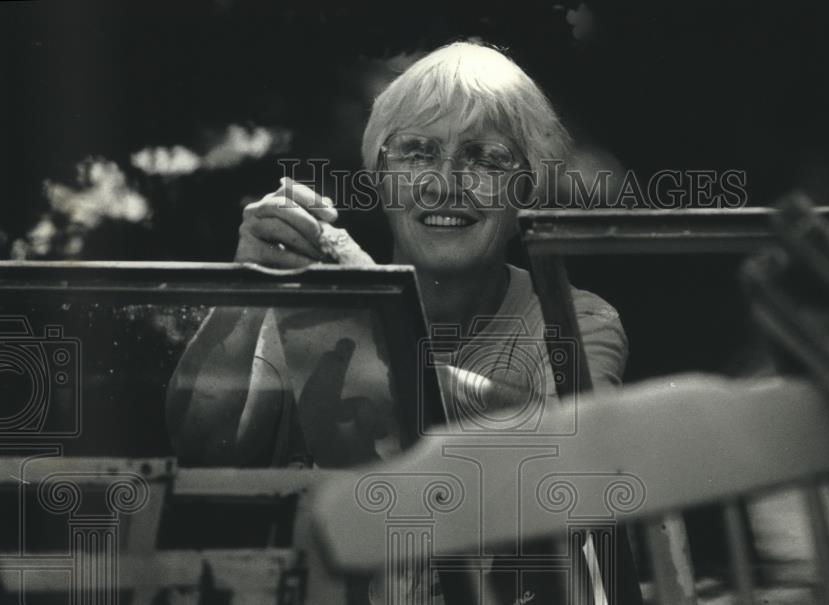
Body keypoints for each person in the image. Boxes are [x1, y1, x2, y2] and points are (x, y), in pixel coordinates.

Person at [165, 40, 627, 468]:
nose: (443, 183)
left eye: (485, 157)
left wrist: (378, 320)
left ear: (527, 191)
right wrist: (244, 289)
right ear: (379, 180)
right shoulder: (301, 310)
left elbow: (573, 460)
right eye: (417, 153)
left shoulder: (574, 322)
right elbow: (202, 454)